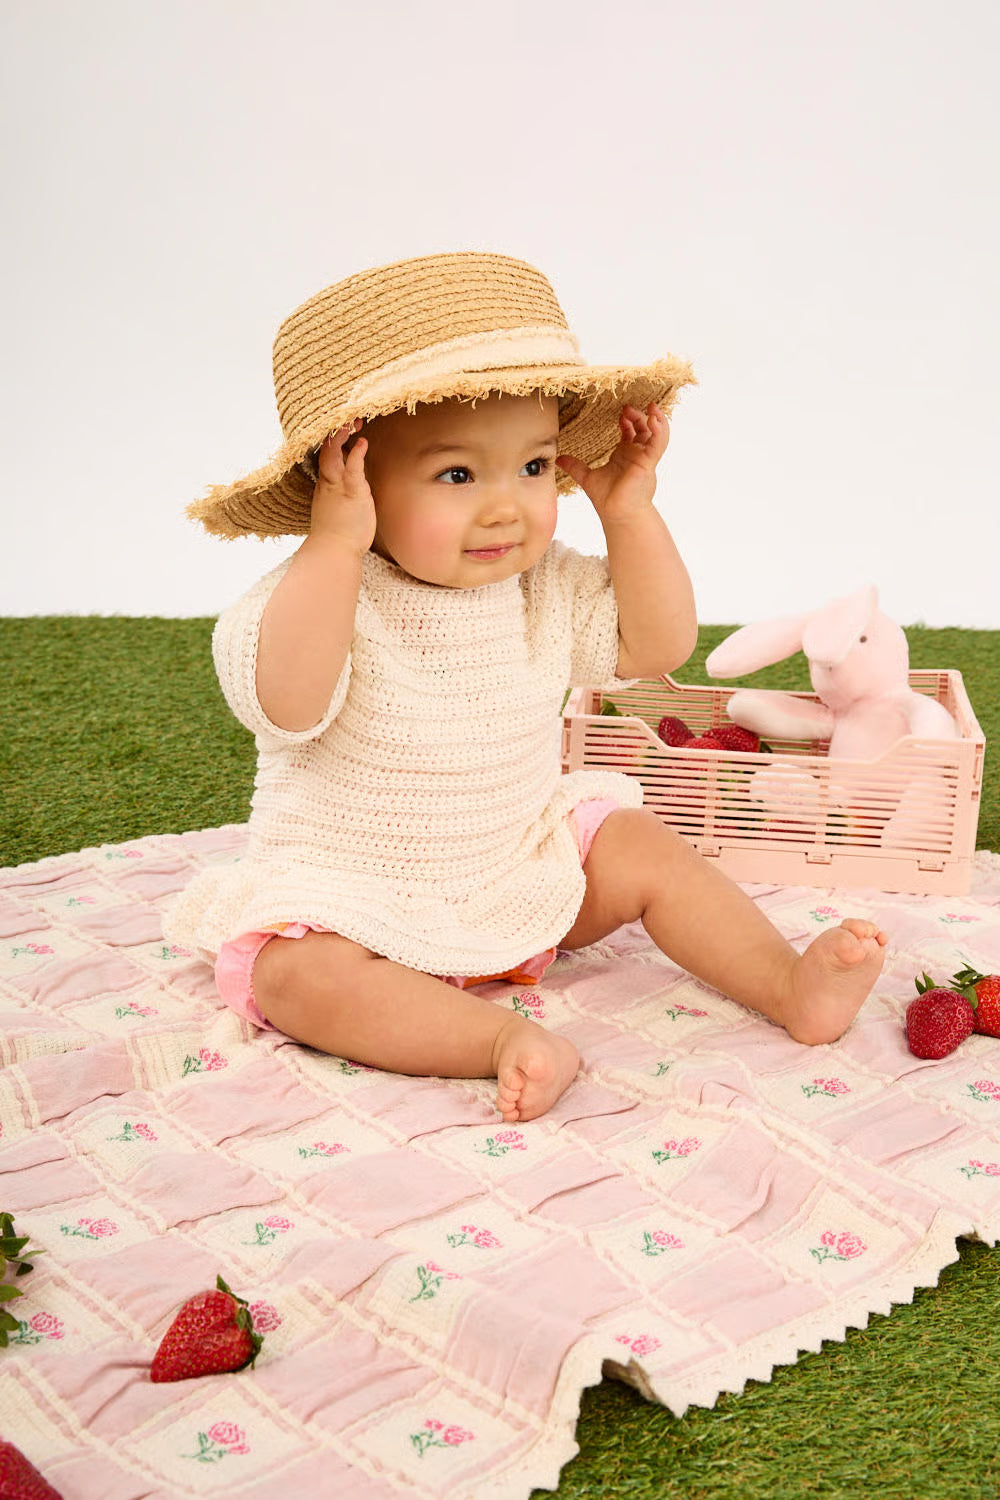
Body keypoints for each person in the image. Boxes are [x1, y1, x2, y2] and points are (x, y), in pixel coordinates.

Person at [167, 251, 887, 1123]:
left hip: (517, 875)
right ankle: (497, 1040)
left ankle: (789, 983)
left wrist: (629, 513)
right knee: (289, 975)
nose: (508, 508)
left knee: (633, 842)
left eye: (537, 467)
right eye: (459, 475)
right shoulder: (312, 600)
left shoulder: (544, 587)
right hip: (351, 900)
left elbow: (658, 644)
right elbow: (288, 702)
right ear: (348, 481)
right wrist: (331, 549)